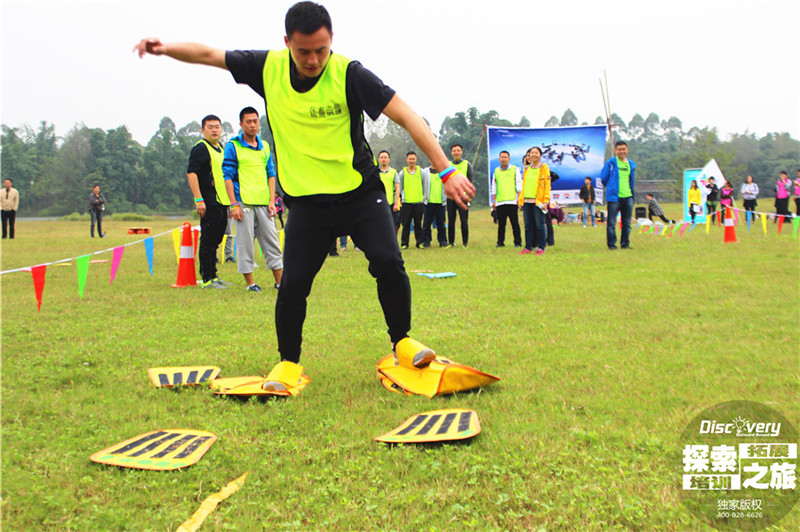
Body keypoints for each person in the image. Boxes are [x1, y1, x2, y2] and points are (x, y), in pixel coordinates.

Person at [133, 1, 475, 388]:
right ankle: (289, 364)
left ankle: (403, 341)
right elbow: (211, 54)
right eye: (303, 51)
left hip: (360, 194)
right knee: (293, 283)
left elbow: (406, 115)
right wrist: (164, 48)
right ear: (287, 43)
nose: (313, 60)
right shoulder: (268, 67)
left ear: (332, 41)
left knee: (387, 261)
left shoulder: (350, 73)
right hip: (309, 206)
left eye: (321, 50)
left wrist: (445, 169)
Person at [223, 107, 284, 292]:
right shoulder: (233, 146)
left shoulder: (264, 146)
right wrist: (234, 204)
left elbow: (271, 173)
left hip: (264, 202)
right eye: (248, 122)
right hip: (243, 203)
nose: (252, 125)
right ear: (241, 124)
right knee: (245, 244)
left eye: (255, 121)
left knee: (272, 242)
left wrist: (272, 200)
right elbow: (227, 176)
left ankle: (280, 282)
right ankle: (250, 284)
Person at [186, 114, 231, 289]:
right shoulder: (200, 148)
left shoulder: (220, 147)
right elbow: (192, 173)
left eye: (217, 127)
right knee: (208, 239)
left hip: (221, 200)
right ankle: (207, 278)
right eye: (210, 127)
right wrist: (199, 199)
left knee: (217, 238)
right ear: (203, 130)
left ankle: (214, 274)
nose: (214, 130)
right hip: (208, 201)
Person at [600, 141, 636, 250]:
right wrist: (611, 187)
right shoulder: (610, 163)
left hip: (628, 196)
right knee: (611, 223)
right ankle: (612, 244)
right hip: (614, 198)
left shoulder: (630, 164)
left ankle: (625, 244)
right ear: (616, 150)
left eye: (623, 149)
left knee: (627, 222)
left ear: (627, 150)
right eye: (619, 149)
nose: (622, 151)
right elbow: (603, 178)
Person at [518, 147, 550, 255]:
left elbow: (547, 185)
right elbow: (524, 185)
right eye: (532, 153)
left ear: (540, 155)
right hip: (527, 200)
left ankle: (541, 247)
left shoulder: (544, 167)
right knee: (528, 225)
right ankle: (528, 247)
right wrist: (521, 200)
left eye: (536, 153)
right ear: (529, 155)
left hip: (538, 201)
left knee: (539, 225)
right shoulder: (526, 169)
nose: (534, 155)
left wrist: (546, 201)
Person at [490, 150, 521, 247]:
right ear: (499, 159)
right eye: (502, 157)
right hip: (500, 201)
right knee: (501, 224)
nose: (503, 159)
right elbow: (494, 187)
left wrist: (519, 198)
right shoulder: (496, 171)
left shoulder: (514, 169)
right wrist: (493, 201)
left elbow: (519, 184)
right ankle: (500, 242)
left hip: (512, 201)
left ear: (509, 159)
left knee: (514, 224)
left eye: (505, 157)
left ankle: (517, 242)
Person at [447, 144, 474, 247]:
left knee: (464, 221)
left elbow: (470, 180)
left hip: (463, 197)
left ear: (462, 152)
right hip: (451, 197)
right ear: (451, 152)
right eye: (454, 151)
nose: (456, 152)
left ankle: (465, 242)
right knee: (451, 220)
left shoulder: (467, 164)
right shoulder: (448, 164)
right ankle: (451, 242)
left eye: (458, 150)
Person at [397, 151, 425, 249]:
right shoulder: (402, 172)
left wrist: (424, 198)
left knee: (418, 224)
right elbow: (400, 187)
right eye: (410, 159)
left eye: (413, 159)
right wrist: (402, 198)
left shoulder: (421, 171)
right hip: (406, 202)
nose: (412, 161)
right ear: (406, 160)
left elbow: (424, 185)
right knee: (406, 224)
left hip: (419, 202)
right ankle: (404, 243)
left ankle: (420, 242)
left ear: (416, 159)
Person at [422, 163, 447, 247]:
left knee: (441, 224)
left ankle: (443, 241)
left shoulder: (443, 171)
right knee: (426, 224)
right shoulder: (425, 172)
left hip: (440, 202)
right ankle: (426, 242)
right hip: (428, 202)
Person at [377, 150, 401, 234]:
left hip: (391, 203)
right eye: (381, 157)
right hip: (379, 203)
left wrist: (396, 203)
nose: (383, 159)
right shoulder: (376, 172)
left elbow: (397, 188)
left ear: (389, 159)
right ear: (379, 159)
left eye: (385, 157)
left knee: (393, 224)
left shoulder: (394, 172)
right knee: (379, 224)